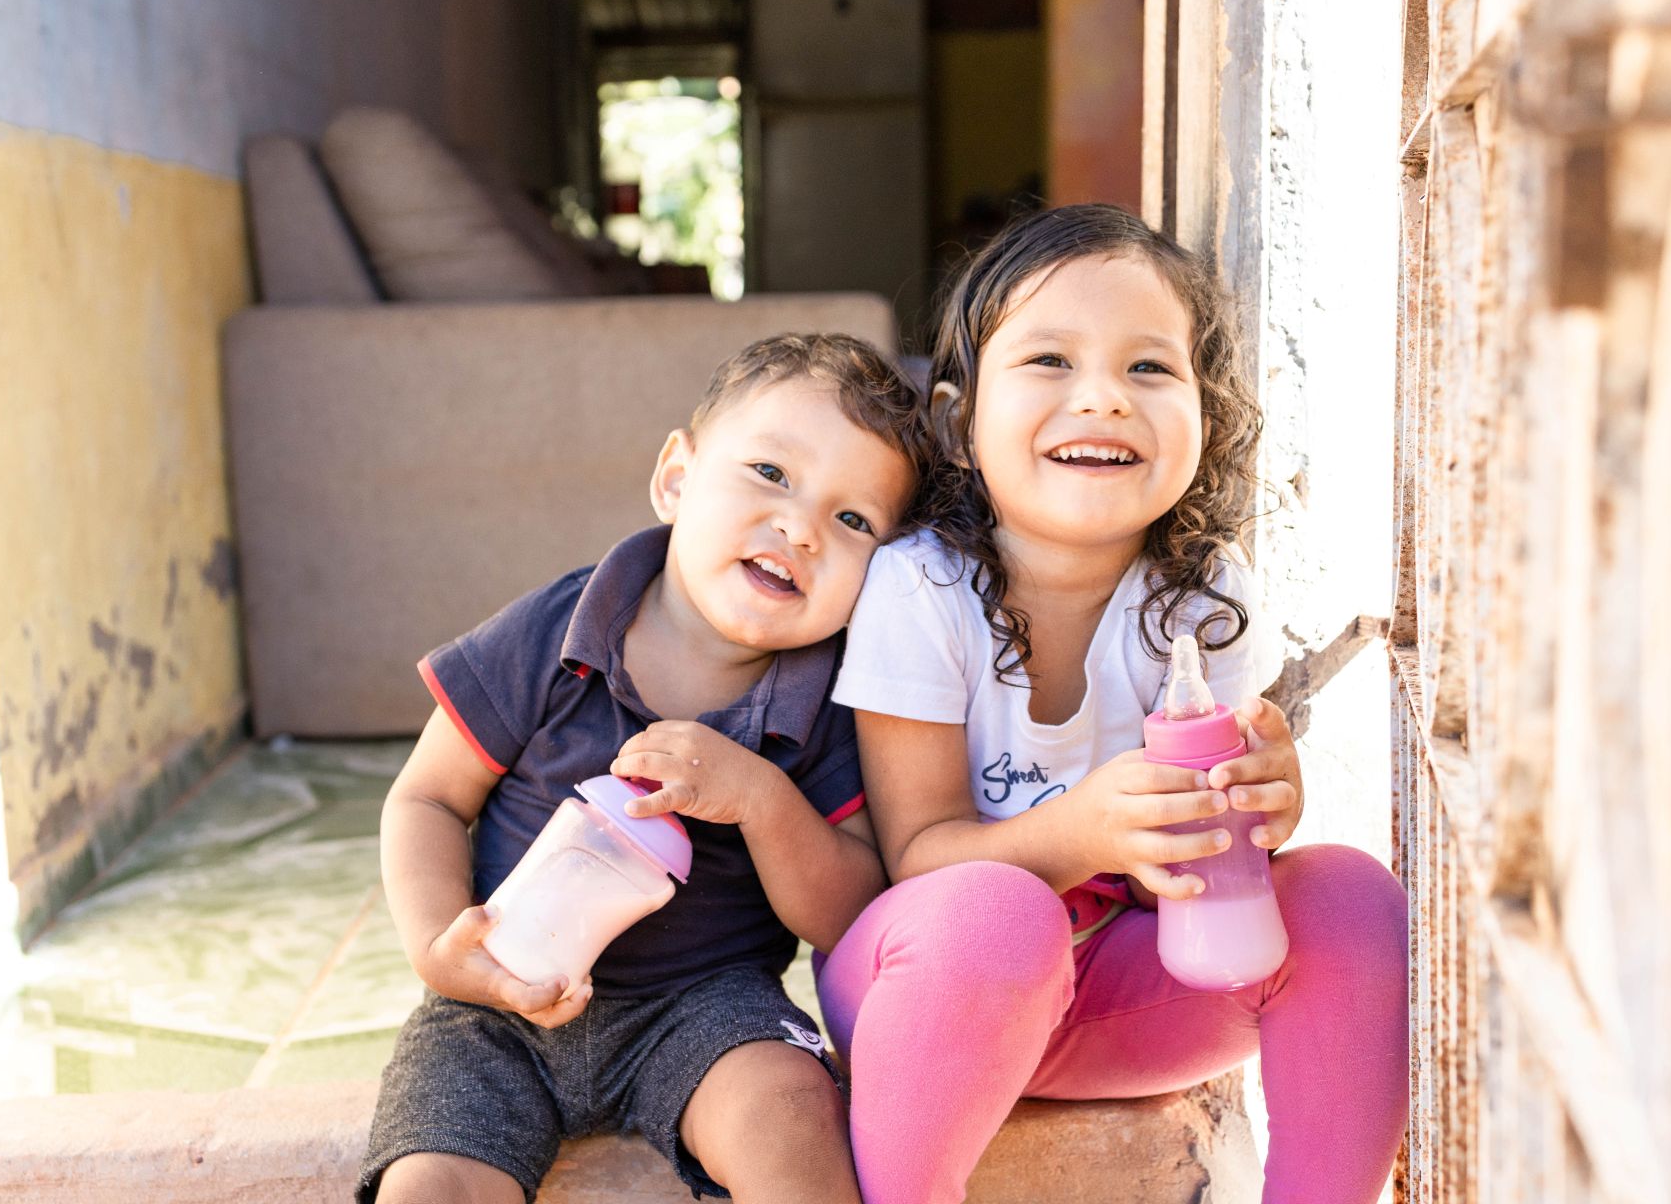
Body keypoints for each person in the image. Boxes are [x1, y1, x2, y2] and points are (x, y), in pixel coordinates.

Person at [815, 204, 1410, 1204]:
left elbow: (1214, 879)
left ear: (1204, 417)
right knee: (997, 914)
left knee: (1348, 894)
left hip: (1132, 1000)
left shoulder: (1206, 590)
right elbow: (915, 855)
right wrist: (1082, 829)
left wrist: (1261, 803)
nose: (1104, 398)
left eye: (1149, 367)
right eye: (1049, 360)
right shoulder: (920, 590)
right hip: (936, 994)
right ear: (960, 422)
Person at [358, 332, 927, 1204]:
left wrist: (761, 799)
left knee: (791, 1116)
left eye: (854, 520)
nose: (801, 527)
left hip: (707, 1010)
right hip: (497, 1001)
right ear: (676, 478)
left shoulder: (838, 699)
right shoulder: (557, 630)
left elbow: (850, 910)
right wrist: (443, 952)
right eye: (771, 473)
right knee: (428, 1183)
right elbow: (427, 798)